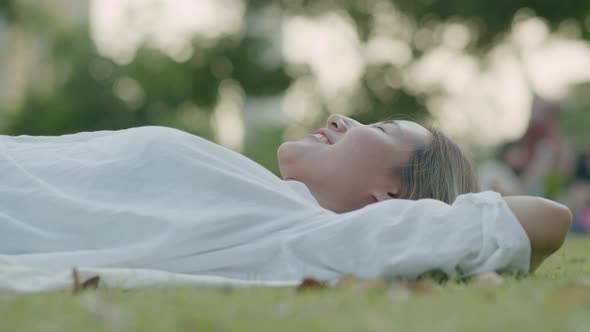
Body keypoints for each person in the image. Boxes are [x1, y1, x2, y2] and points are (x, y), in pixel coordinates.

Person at [0, 114, 571, 284]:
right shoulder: (268, 196)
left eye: (380, 128)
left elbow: (546, 220)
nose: (339, 118)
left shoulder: (308, 236)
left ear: (393, 199)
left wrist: (423, 231)